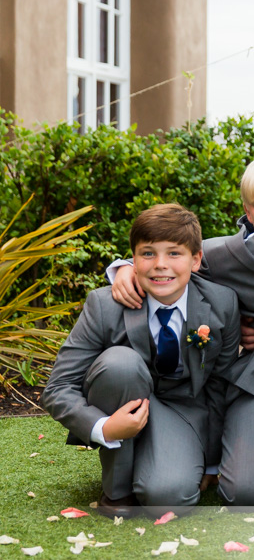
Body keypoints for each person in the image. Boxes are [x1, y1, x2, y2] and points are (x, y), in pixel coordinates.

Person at [108, 153, 254, 505]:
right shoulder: (224, 255)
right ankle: (252, 457)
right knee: (245, 494)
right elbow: (171, 263)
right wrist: (124, 267)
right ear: (247, 212)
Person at [42, 204, 240, 518]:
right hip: (125, 394)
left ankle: (160, 463)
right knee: (120, 363)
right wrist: (104, 427)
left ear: (196, 259)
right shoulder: (103, 305)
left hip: (184, 409)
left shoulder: (222, 304)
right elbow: (58, 388)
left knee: (168, 497)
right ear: (132, 260)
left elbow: (220, 386)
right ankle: (117, 491)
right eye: (148, 254)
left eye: (174, 253)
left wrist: (213, 459)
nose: (161, 265)